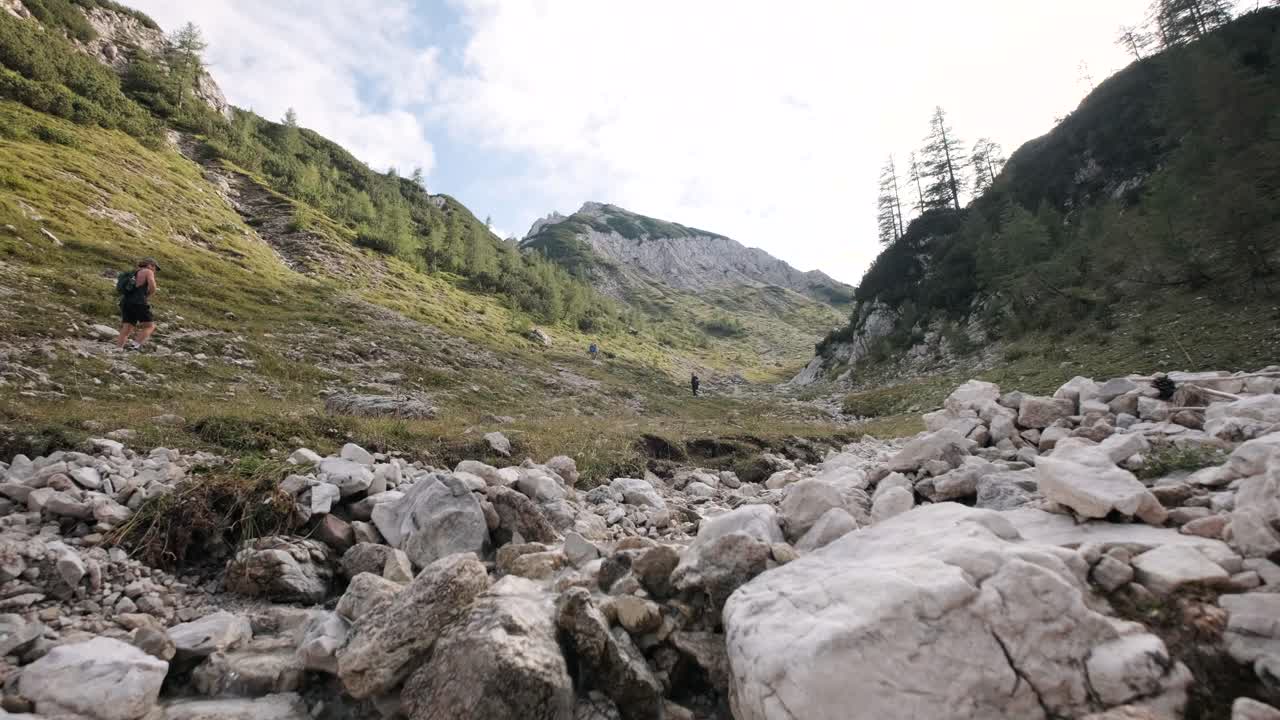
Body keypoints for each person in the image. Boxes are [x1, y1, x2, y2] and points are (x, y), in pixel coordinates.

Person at [116, 258, 160, 351]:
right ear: (150, 265)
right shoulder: (148, 271)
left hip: (125, 302)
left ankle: (118, 348)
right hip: (138, 301)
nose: (155, 270)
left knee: (127, 327)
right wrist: (147, 295)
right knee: (149, 326)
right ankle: (134, 346)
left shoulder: (133, 273)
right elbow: (152, 287)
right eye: (155, 267)